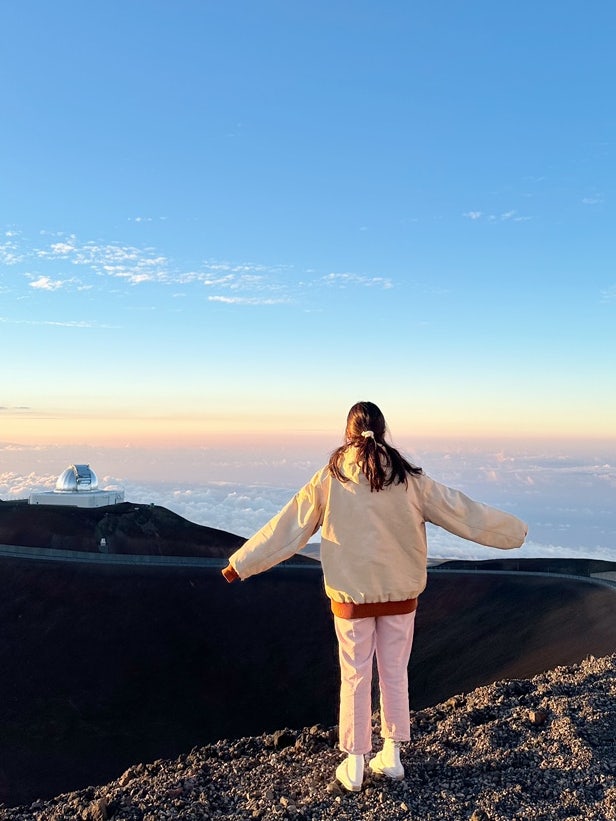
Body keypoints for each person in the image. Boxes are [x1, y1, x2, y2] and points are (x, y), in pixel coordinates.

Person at [221, 401, 527, 792]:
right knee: (394, 671)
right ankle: (392, 756)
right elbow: (464, 512)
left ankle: (353, 764)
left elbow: (287, 528)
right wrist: (514, 532)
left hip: (351, 600)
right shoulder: (410, 479)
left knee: (355, 674)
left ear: (348, 433)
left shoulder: (330, 479)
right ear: (382, 431)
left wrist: (240, 564)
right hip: (401, 597)